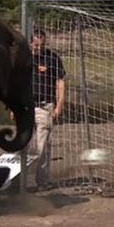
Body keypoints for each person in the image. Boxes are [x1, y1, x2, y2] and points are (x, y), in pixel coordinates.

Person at [28, 28, 66, 191]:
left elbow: (60, 82)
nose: (38, 48)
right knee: (24, 145)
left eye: (41, 44)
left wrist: (59, 105)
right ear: (31, 43)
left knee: (42, 147)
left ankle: (42, 182)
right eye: (36, 45)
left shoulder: (52, 58)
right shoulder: (25, 58)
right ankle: (20, 182)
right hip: (26, 107)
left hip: (45, 106)